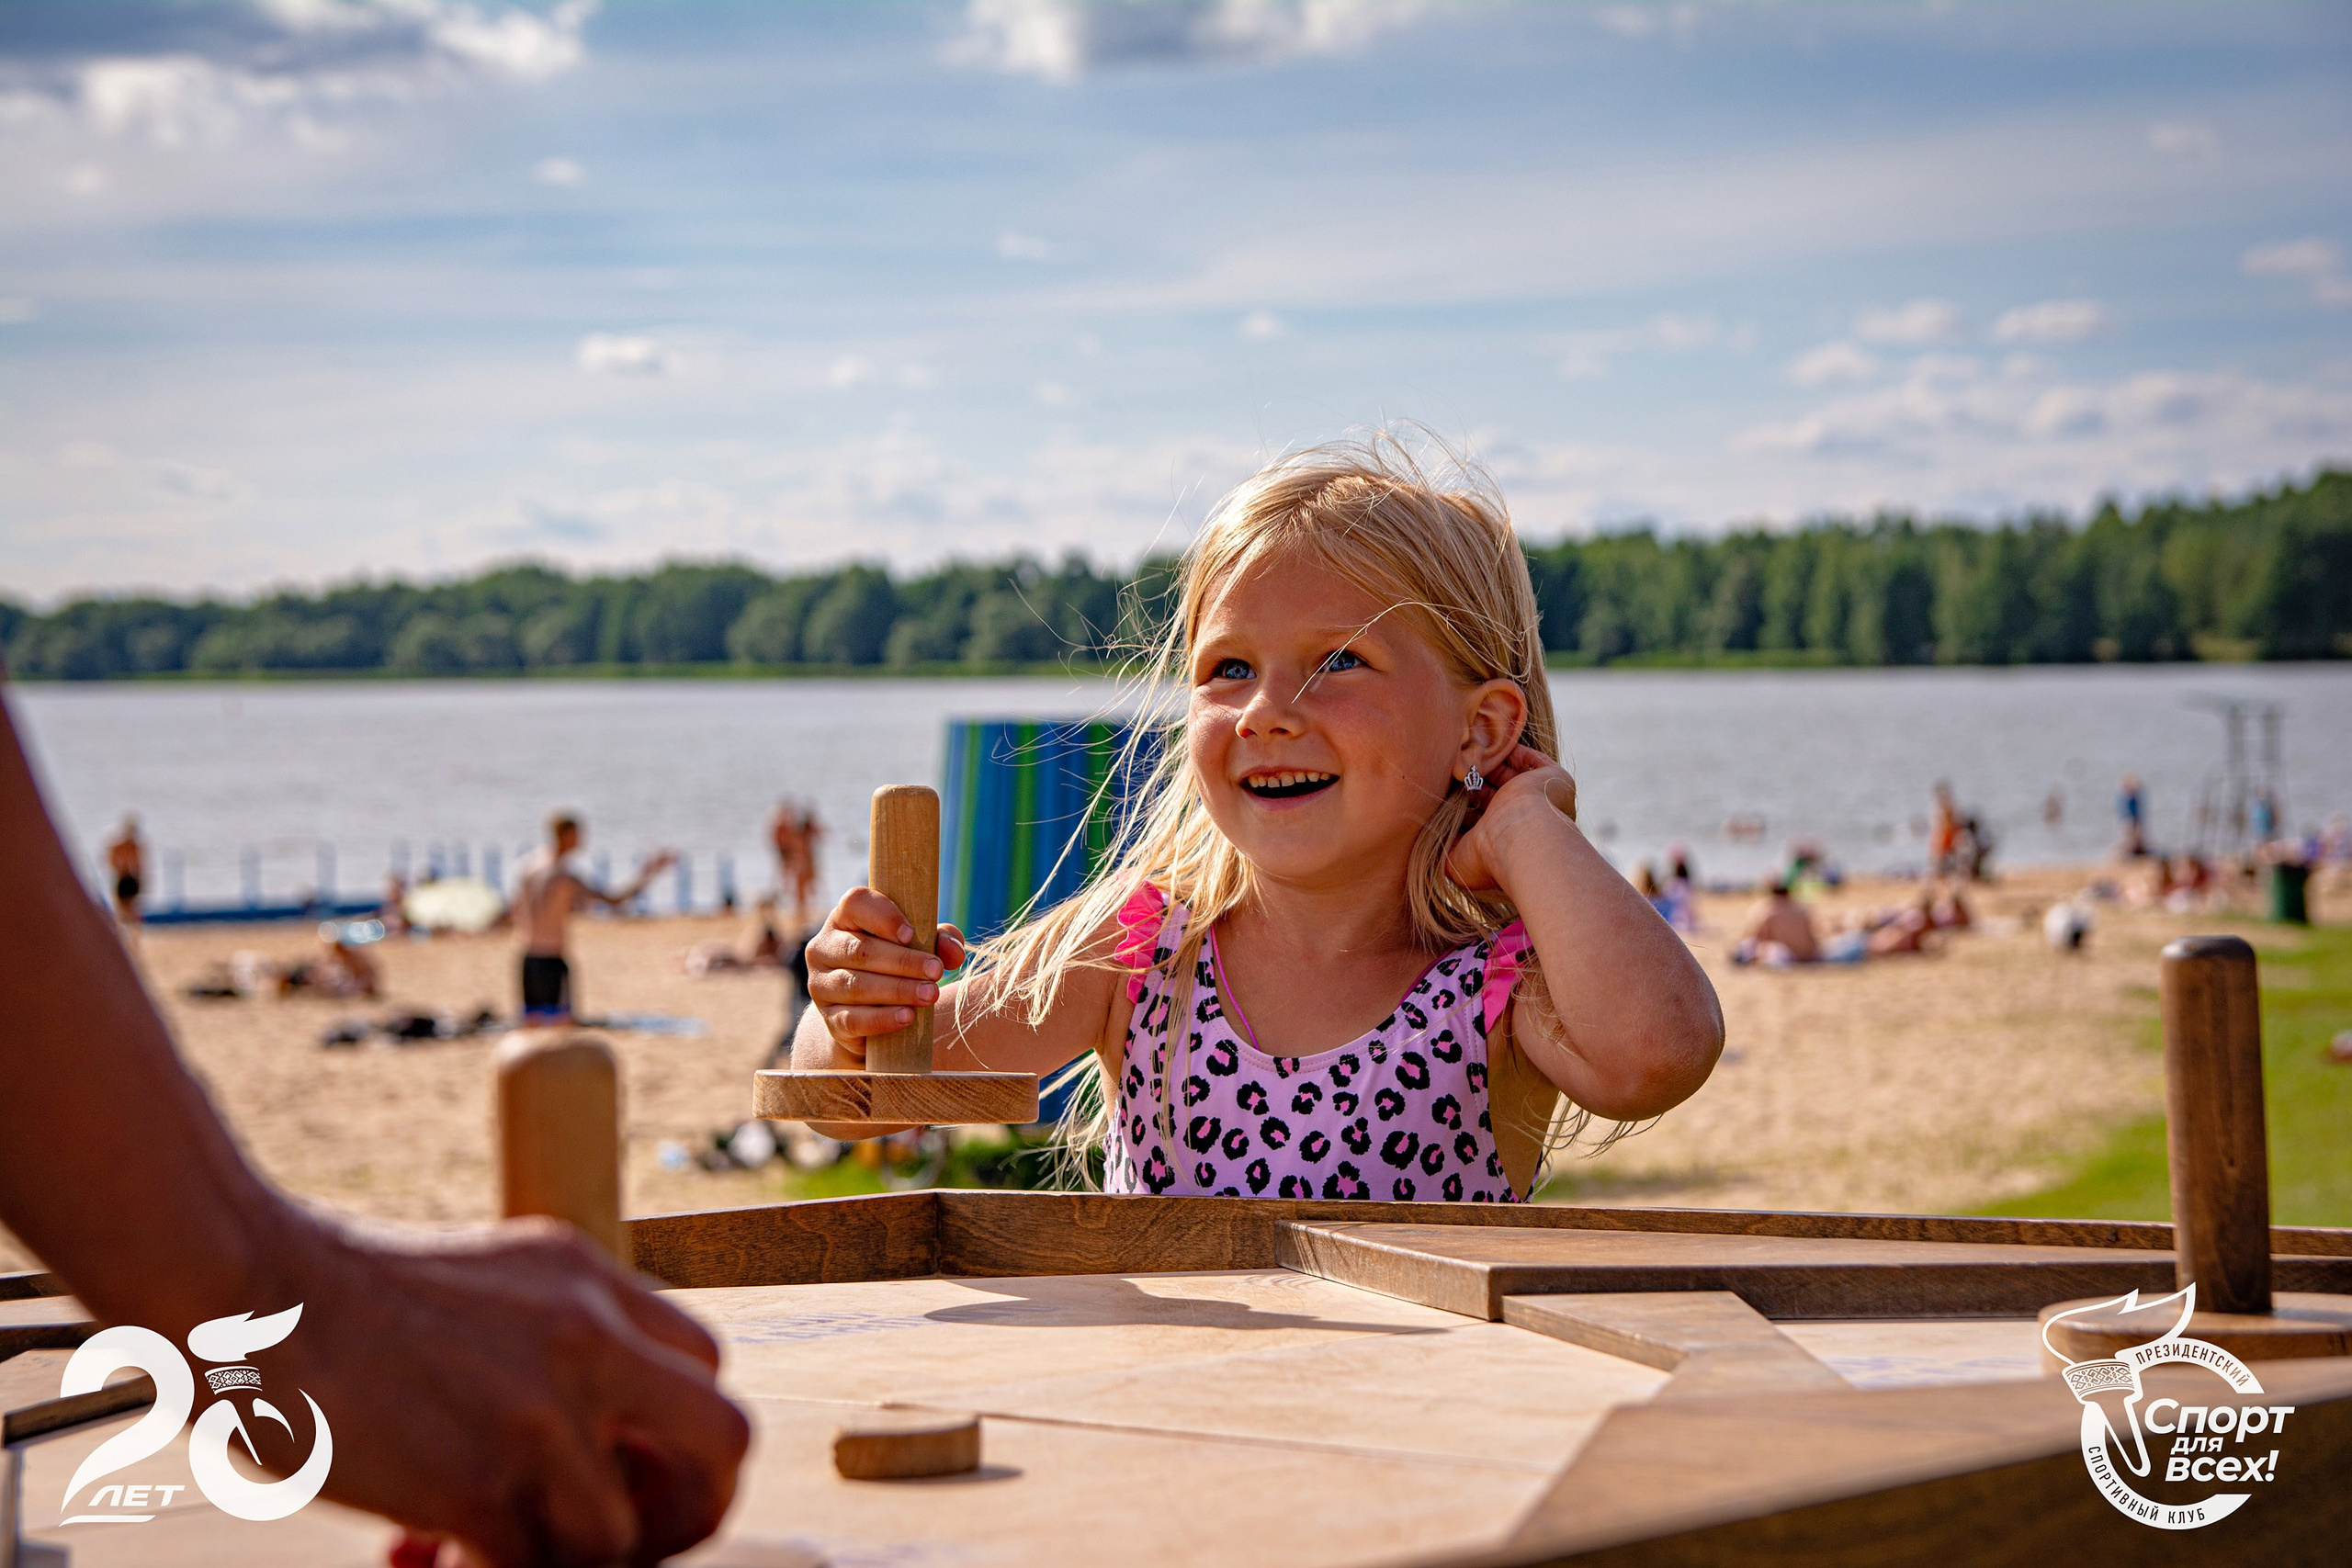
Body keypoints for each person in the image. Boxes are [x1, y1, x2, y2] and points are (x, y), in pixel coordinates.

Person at [792, 437, 1724, 1200]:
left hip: (1420, 1417)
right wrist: (846, 1018)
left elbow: (1659, 1055)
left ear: (1477, 727)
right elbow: (861, 1099)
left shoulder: (1495, 981)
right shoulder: (1139, 948)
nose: (1267, 712)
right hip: (1180, 1411)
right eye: (1229, 669)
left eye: (1338, 662)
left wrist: (1528, 826)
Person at [0, 691, 748, 1565]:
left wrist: (265, 1286)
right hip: (544, 971)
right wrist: (289, 1303)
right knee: (552, 1045)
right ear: (573, 836)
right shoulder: (566, 873)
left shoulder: (526, 870)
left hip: (525, 962)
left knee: (544, 1042)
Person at [513, 813, 675, 1022]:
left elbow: (516, 910)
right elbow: (614, 900)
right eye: (578, 834)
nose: (582, 840)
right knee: (559, 1028)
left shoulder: (529, 866)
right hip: (551, 957)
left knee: (532, 1023)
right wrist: (648, 872)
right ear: (567, 836)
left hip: (527, 956)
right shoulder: (565, 876)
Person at [1735, 880, 1825, 964]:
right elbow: (1813, 934)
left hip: (1786, 956)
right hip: (1808, 955)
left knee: (1749, 945)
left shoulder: (1770, 912)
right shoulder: (1802, 910)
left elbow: (1759, 936)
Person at [770, 801, 823, 929]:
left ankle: (801, 913)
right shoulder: (796, 833)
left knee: (803, 889)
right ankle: (801, 914)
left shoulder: (794, 832)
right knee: (801, 889)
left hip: (801, 861)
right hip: (802, 861)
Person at [106, 813, 144, 924]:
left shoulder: (133, 846)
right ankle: (127, 933)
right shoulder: (122, 846)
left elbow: (139, 865)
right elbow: (111, 860)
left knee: (130, 909)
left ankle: (132, 934)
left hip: (128, 877)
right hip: (124, 876)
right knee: (123, 908)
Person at [2116, 773, 2147, 859]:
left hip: (2132, 820)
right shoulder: (2128, 798)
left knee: (2134, 838)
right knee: (2129, 839)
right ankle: (2126, 854)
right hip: (2130, 820)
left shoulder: (2132, 798)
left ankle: (2133, 853)